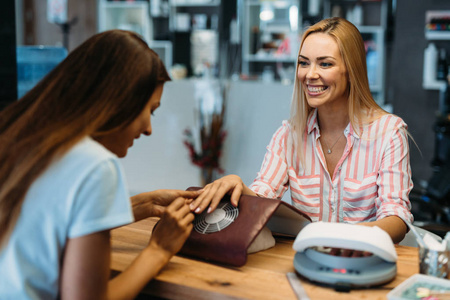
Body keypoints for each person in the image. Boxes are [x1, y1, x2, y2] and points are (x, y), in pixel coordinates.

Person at [0, 30, 202, 299]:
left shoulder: (22, 138)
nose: (149, 129)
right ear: (122, 101)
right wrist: (159, 250)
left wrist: (144, 204)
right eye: (150, 111)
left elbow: (53, 220)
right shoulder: (96, 165)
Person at [190, 17, 413, 245]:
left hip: (363, 261)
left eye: (325, 64)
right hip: (305, 261)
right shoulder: (288, 135)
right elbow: (263, 197)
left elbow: (396, 217)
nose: (309, 74)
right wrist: (237, 186)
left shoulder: (389, 132)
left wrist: (346, 239)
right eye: (304, 63)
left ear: (351, 70)